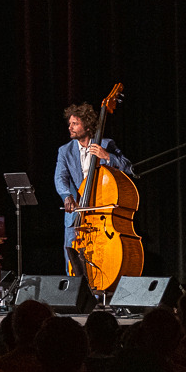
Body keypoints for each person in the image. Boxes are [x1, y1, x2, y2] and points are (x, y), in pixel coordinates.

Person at [54, 102, 134, 275]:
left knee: (101, 257)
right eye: (69, 124)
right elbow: (60, 177)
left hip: (101, 211)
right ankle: (75, 288)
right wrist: (66, 196)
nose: (70, 127)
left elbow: (128, 168)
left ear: (87, 125)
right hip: (76, 212)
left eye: (75, 123)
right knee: (72, 259)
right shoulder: (65, 151)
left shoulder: (106, 144)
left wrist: (107, 156)